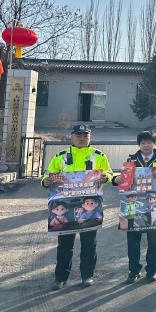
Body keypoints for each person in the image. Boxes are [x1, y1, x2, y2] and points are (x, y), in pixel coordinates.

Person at [42, 124, 112, 291]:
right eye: (78, 135)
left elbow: (109, 173)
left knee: (89, 244)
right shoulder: (60, 156)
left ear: (90, 137)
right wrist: (45, 181)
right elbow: (48, 174)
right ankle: (60, 277)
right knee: (64, 245)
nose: (82, 138)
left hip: (89, 207)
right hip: (66, 207)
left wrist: (106, 178)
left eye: (85, 135)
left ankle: (87, 275)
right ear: (71, 137)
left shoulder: (98, 156)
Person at [113, 130, 156, 283]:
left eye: (149, 142)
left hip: (155, 205)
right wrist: (117, 179)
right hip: (133, 205)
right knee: (133, 240)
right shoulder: (131, 160)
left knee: (154, 241)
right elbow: (124, 182)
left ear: (154, 144)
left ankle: (151, 270)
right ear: (139, 145)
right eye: (143, 143)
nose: (146, 145)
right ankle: (133, 271)